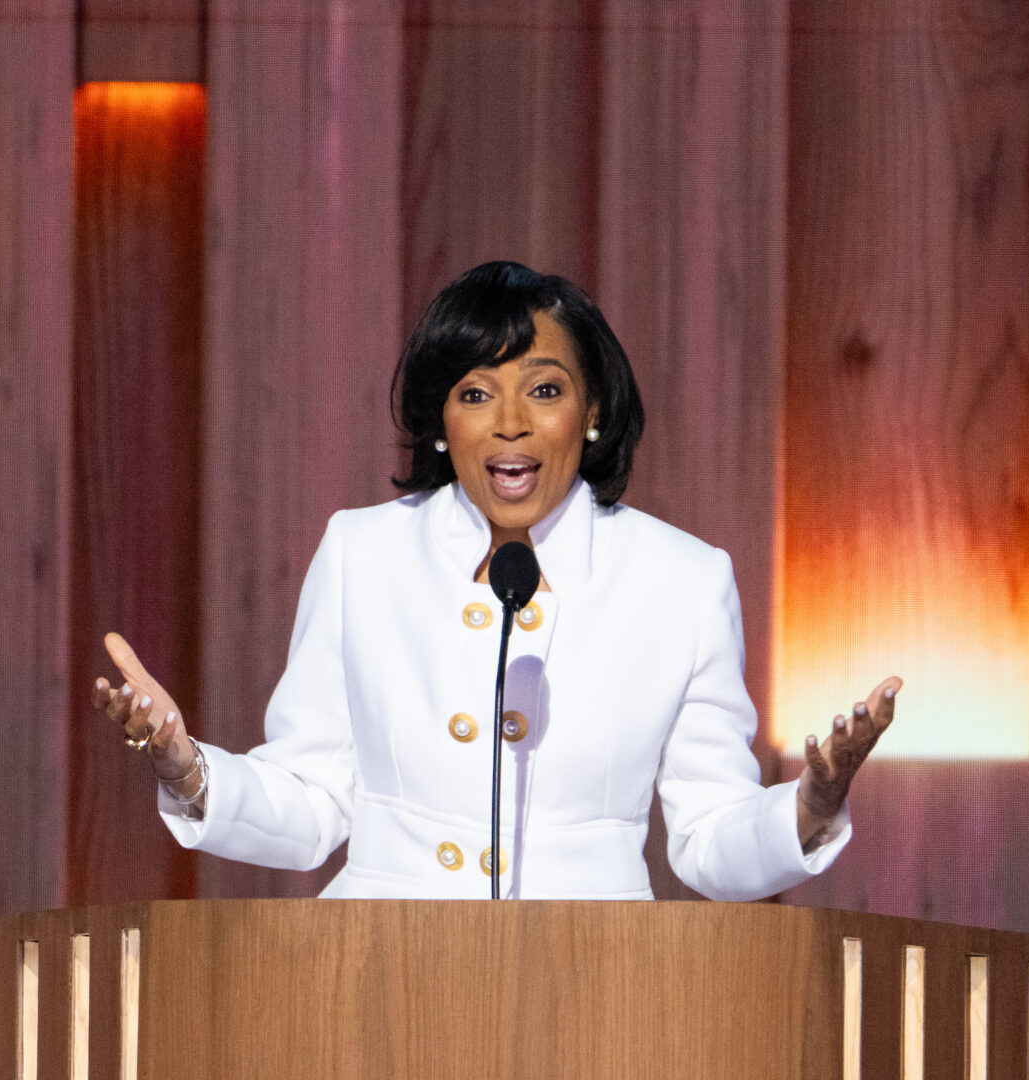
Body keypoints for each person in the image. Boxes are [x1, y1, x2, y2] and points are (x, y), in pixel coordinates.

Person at [93, 261, 899, 900]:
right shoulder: (362, 554)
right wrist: (186, 764)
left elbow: (708, 840)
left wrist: (809, 805)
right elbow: (309, 804)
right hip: (373, 987)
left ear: (591, 412)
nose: (509, 421)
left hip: (598, 993)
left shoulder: (682, 581)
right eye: (475, 394)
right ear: (443, 424)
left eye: (544, 390)